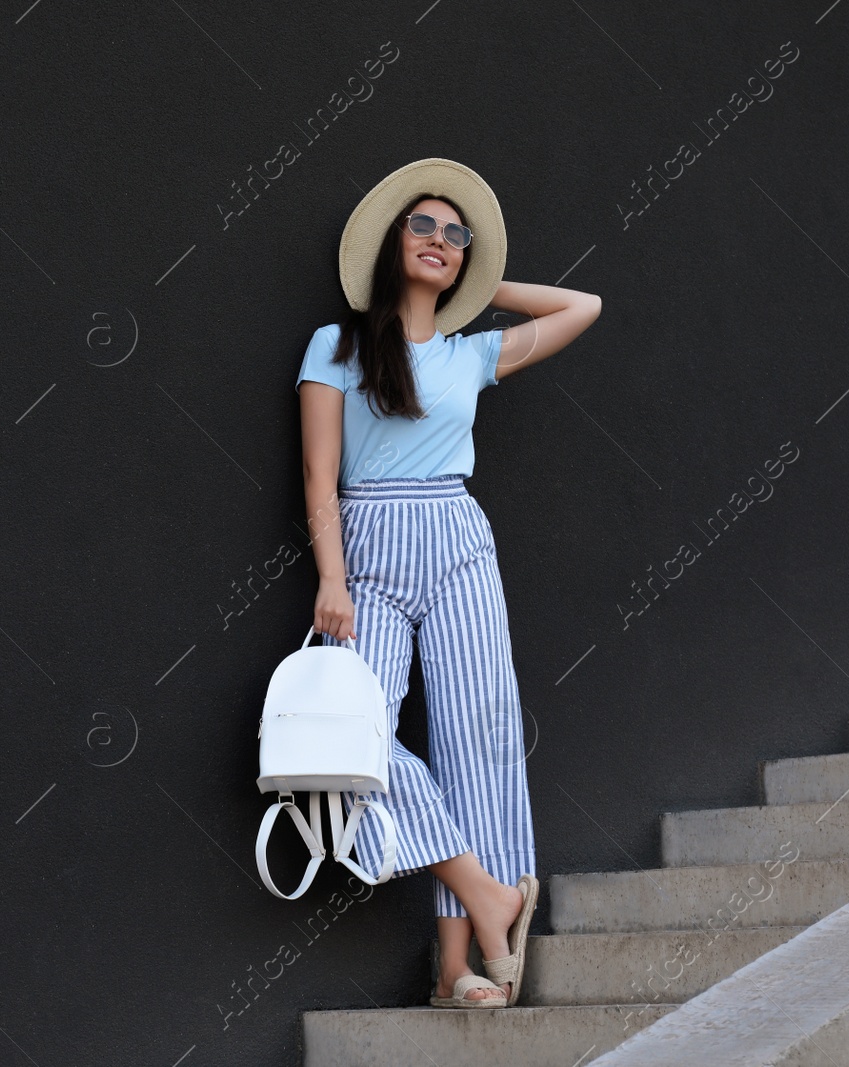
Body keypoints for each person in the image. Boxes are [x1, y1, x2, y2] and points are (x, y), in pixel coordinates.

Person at [295, 158, 602, 1008]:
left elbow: (586, 308)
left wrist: (485, 283)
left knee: (479, 736)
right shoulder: (338, 345)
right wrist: (332, 579)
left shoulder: (471, 354)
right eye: (422, 227)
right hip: (367, 545)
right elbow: (319, 476)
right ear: (390, 245)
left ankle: (455, 967)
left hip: (458, 536)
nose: (439, 240)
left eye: (455, 235)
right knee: (357, 736)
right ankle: (488, 890)